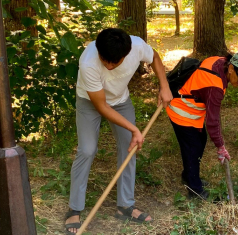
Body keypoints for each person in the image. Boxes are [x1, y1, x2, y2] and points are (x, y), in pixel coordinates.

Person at [65, 28, 173, 235]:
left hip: (121, 100)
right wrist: (134, 128)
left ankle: (125, 206)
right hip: (91, 102)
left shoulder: (137, 46)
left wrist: (164, 86)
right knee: (87, 150)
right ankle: (75, 208)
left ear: (126, 54)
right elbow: (102, 106)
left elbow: (155, 58)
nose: (109, 65)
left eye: (115, 62)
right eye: (105, 60)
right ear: (98, 51)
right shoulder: (88, 61)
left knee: (129, 146)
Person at [166, 52, 238, 199]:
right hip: (181, 110)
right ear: (232, 68)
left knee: (200, 141)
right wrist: (221, 147)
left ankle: (189, 176)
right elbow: (212, 122)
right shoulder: (215, 86)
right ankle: (194, 190)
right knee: (192, 147)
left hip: (192, 109)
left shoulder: (220, 61)